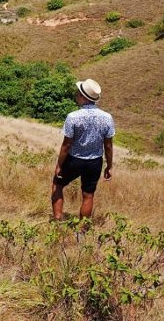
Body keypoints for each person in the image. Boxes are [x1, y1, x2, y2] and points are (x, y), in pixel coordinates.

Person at [51, 79, 114, 221]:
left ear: (83, 96)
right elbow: (108, 146)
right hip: (95, 162)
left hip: (74, 160)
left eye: (78, 93)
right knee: (88, 195)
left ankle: (57, 221)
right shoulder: (107, 118)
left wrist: (59, 165)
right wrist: (109, 166)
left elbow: (66, 145)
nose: (76, 94)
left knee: (57, 184)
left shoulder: (72, 117)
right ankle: (82, 230)